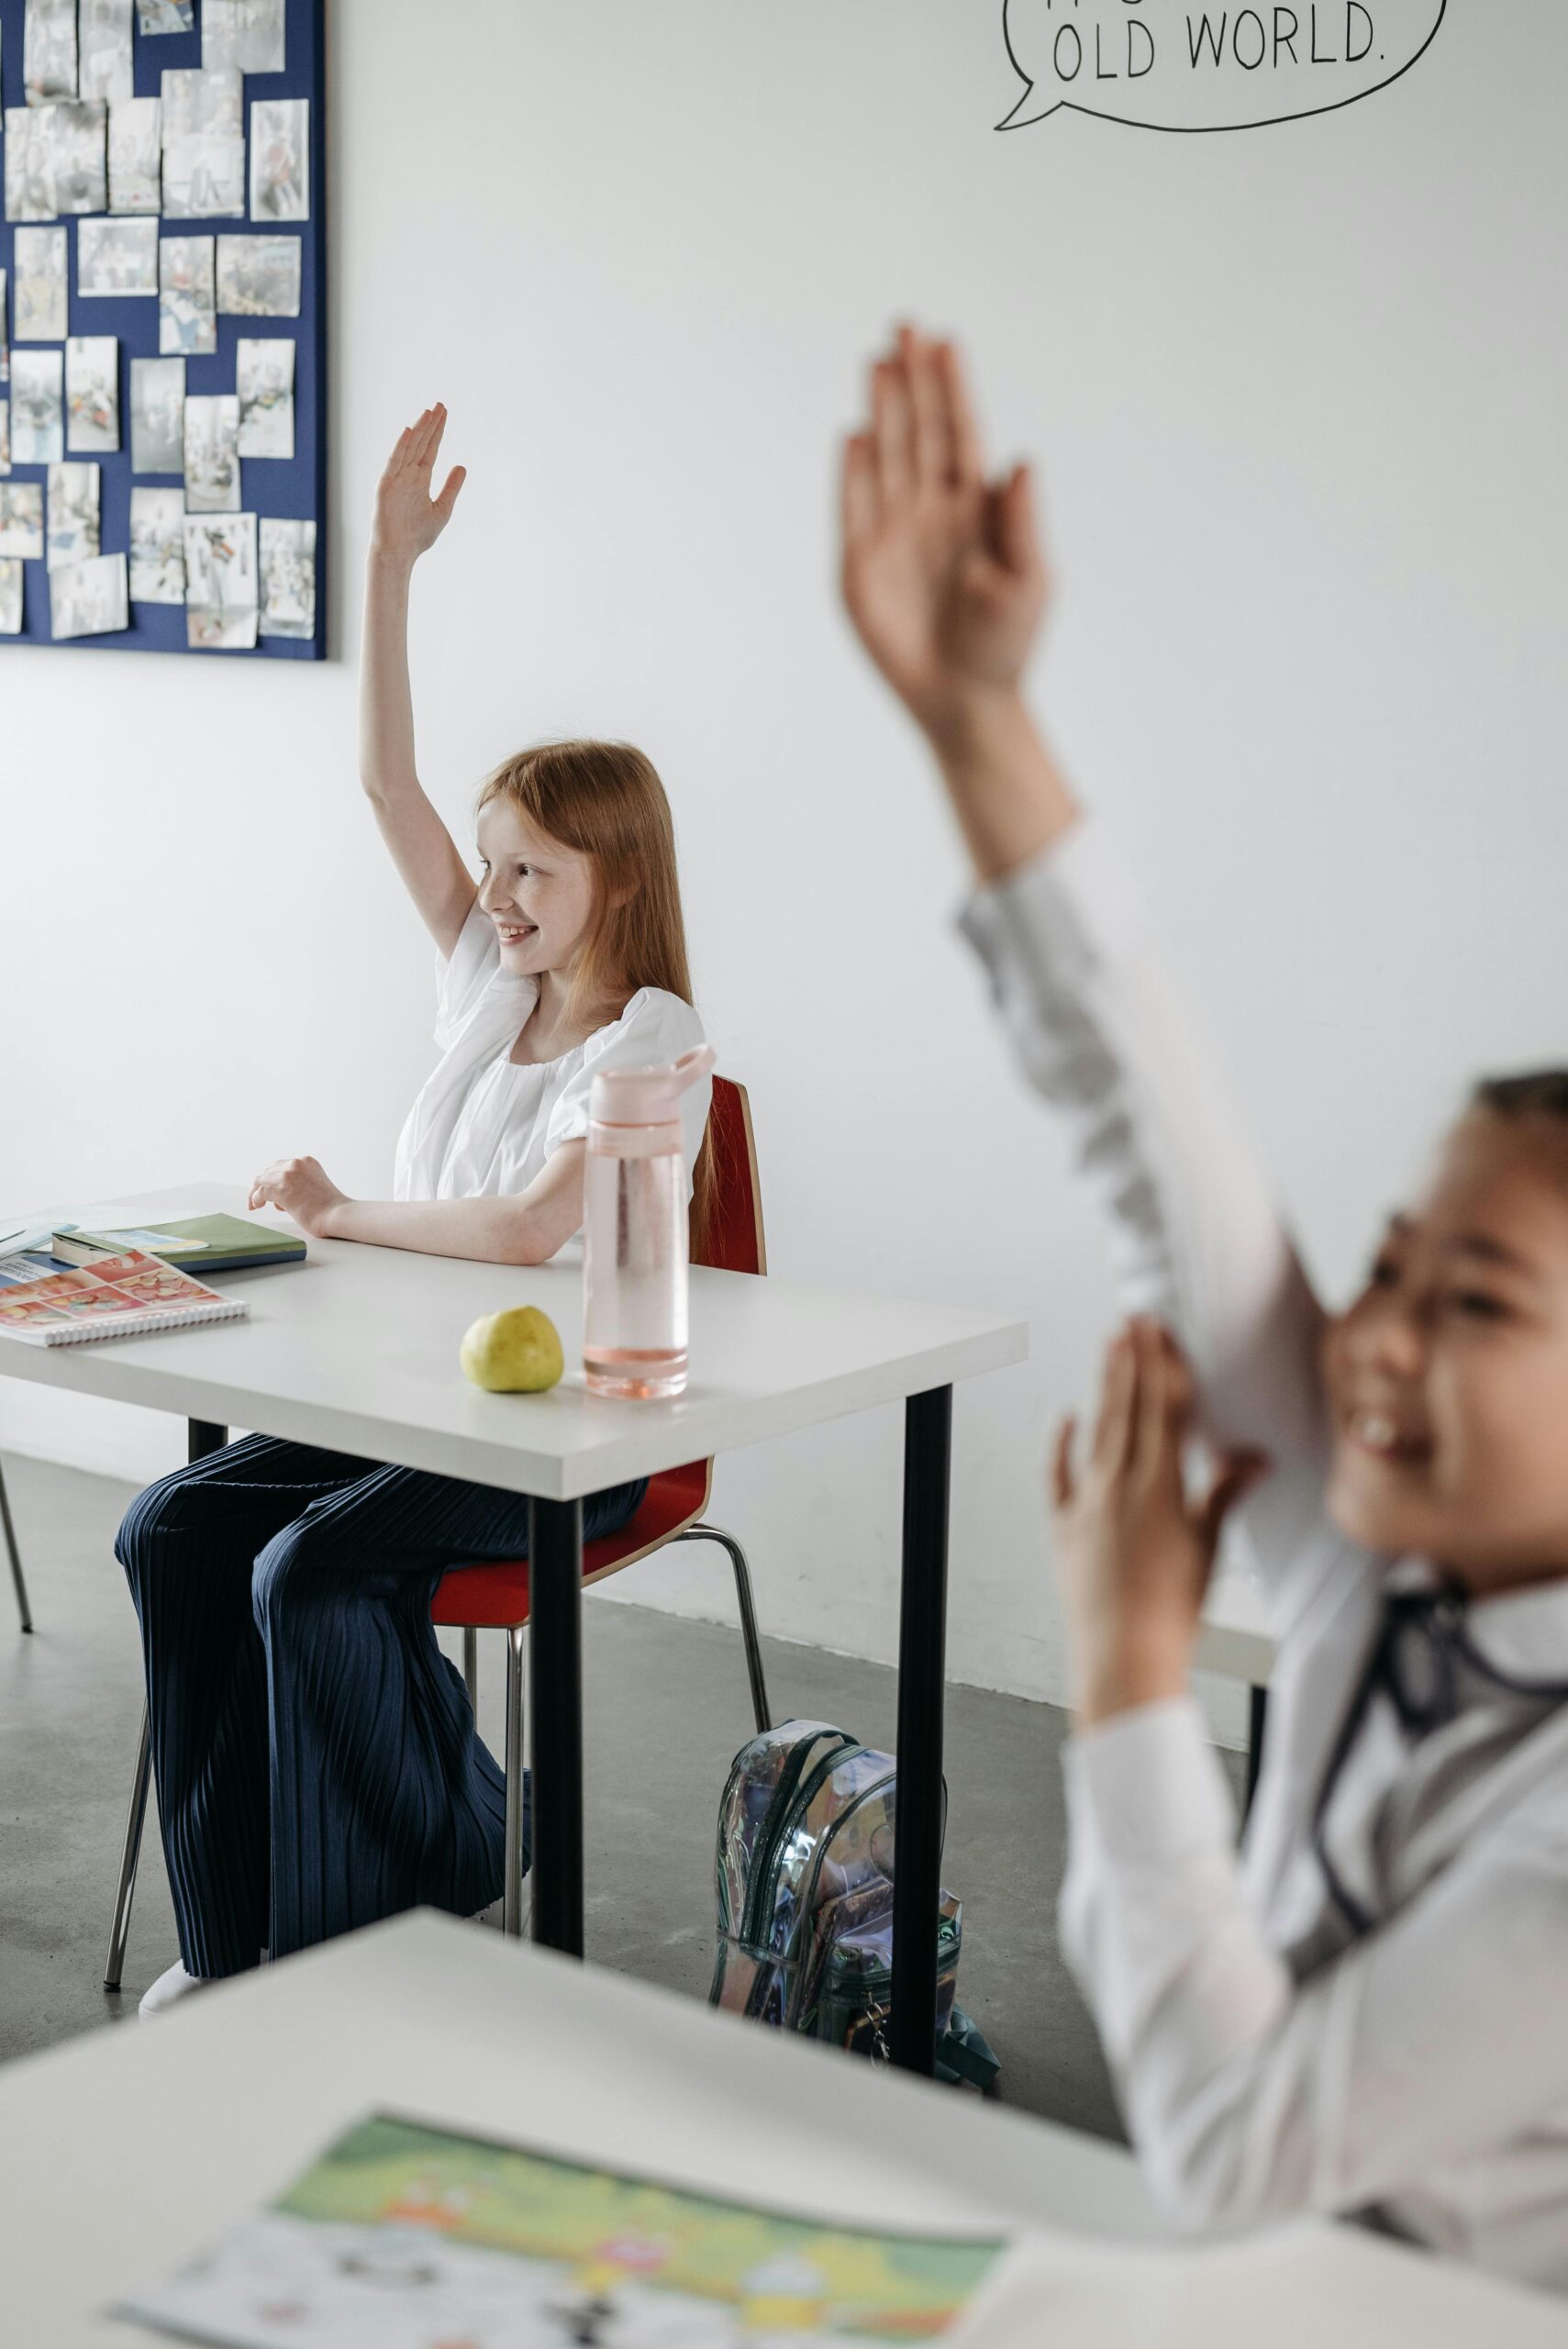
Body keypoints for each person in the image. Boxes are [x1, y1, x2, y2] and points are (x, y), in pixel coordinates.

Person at [839, 326, 1568, 2290]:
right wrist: (973, 718)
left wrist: (1128, 1666)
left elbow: (1241, 2145)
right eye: (1390, 1266)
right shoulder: (1392, 1558)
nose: (1372, 1334)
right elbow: (1152, 1131)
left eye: (1473, 1299)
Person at [119, 405, 712, 2016]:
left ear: (616, 881)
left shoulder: (651, 1038)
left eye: (532, 874)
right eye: (493, 867)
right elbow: (384, 780)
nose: (497, 898)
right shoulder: (484, 986)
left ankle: (354, 1944)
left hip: (563, 1440)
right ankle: (233, 1945)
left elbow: (527, 1231)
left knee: (306, 1575)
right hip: (407, 1407)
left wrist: (338, 1212)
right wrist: (385, 568)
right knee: (171, 1526)